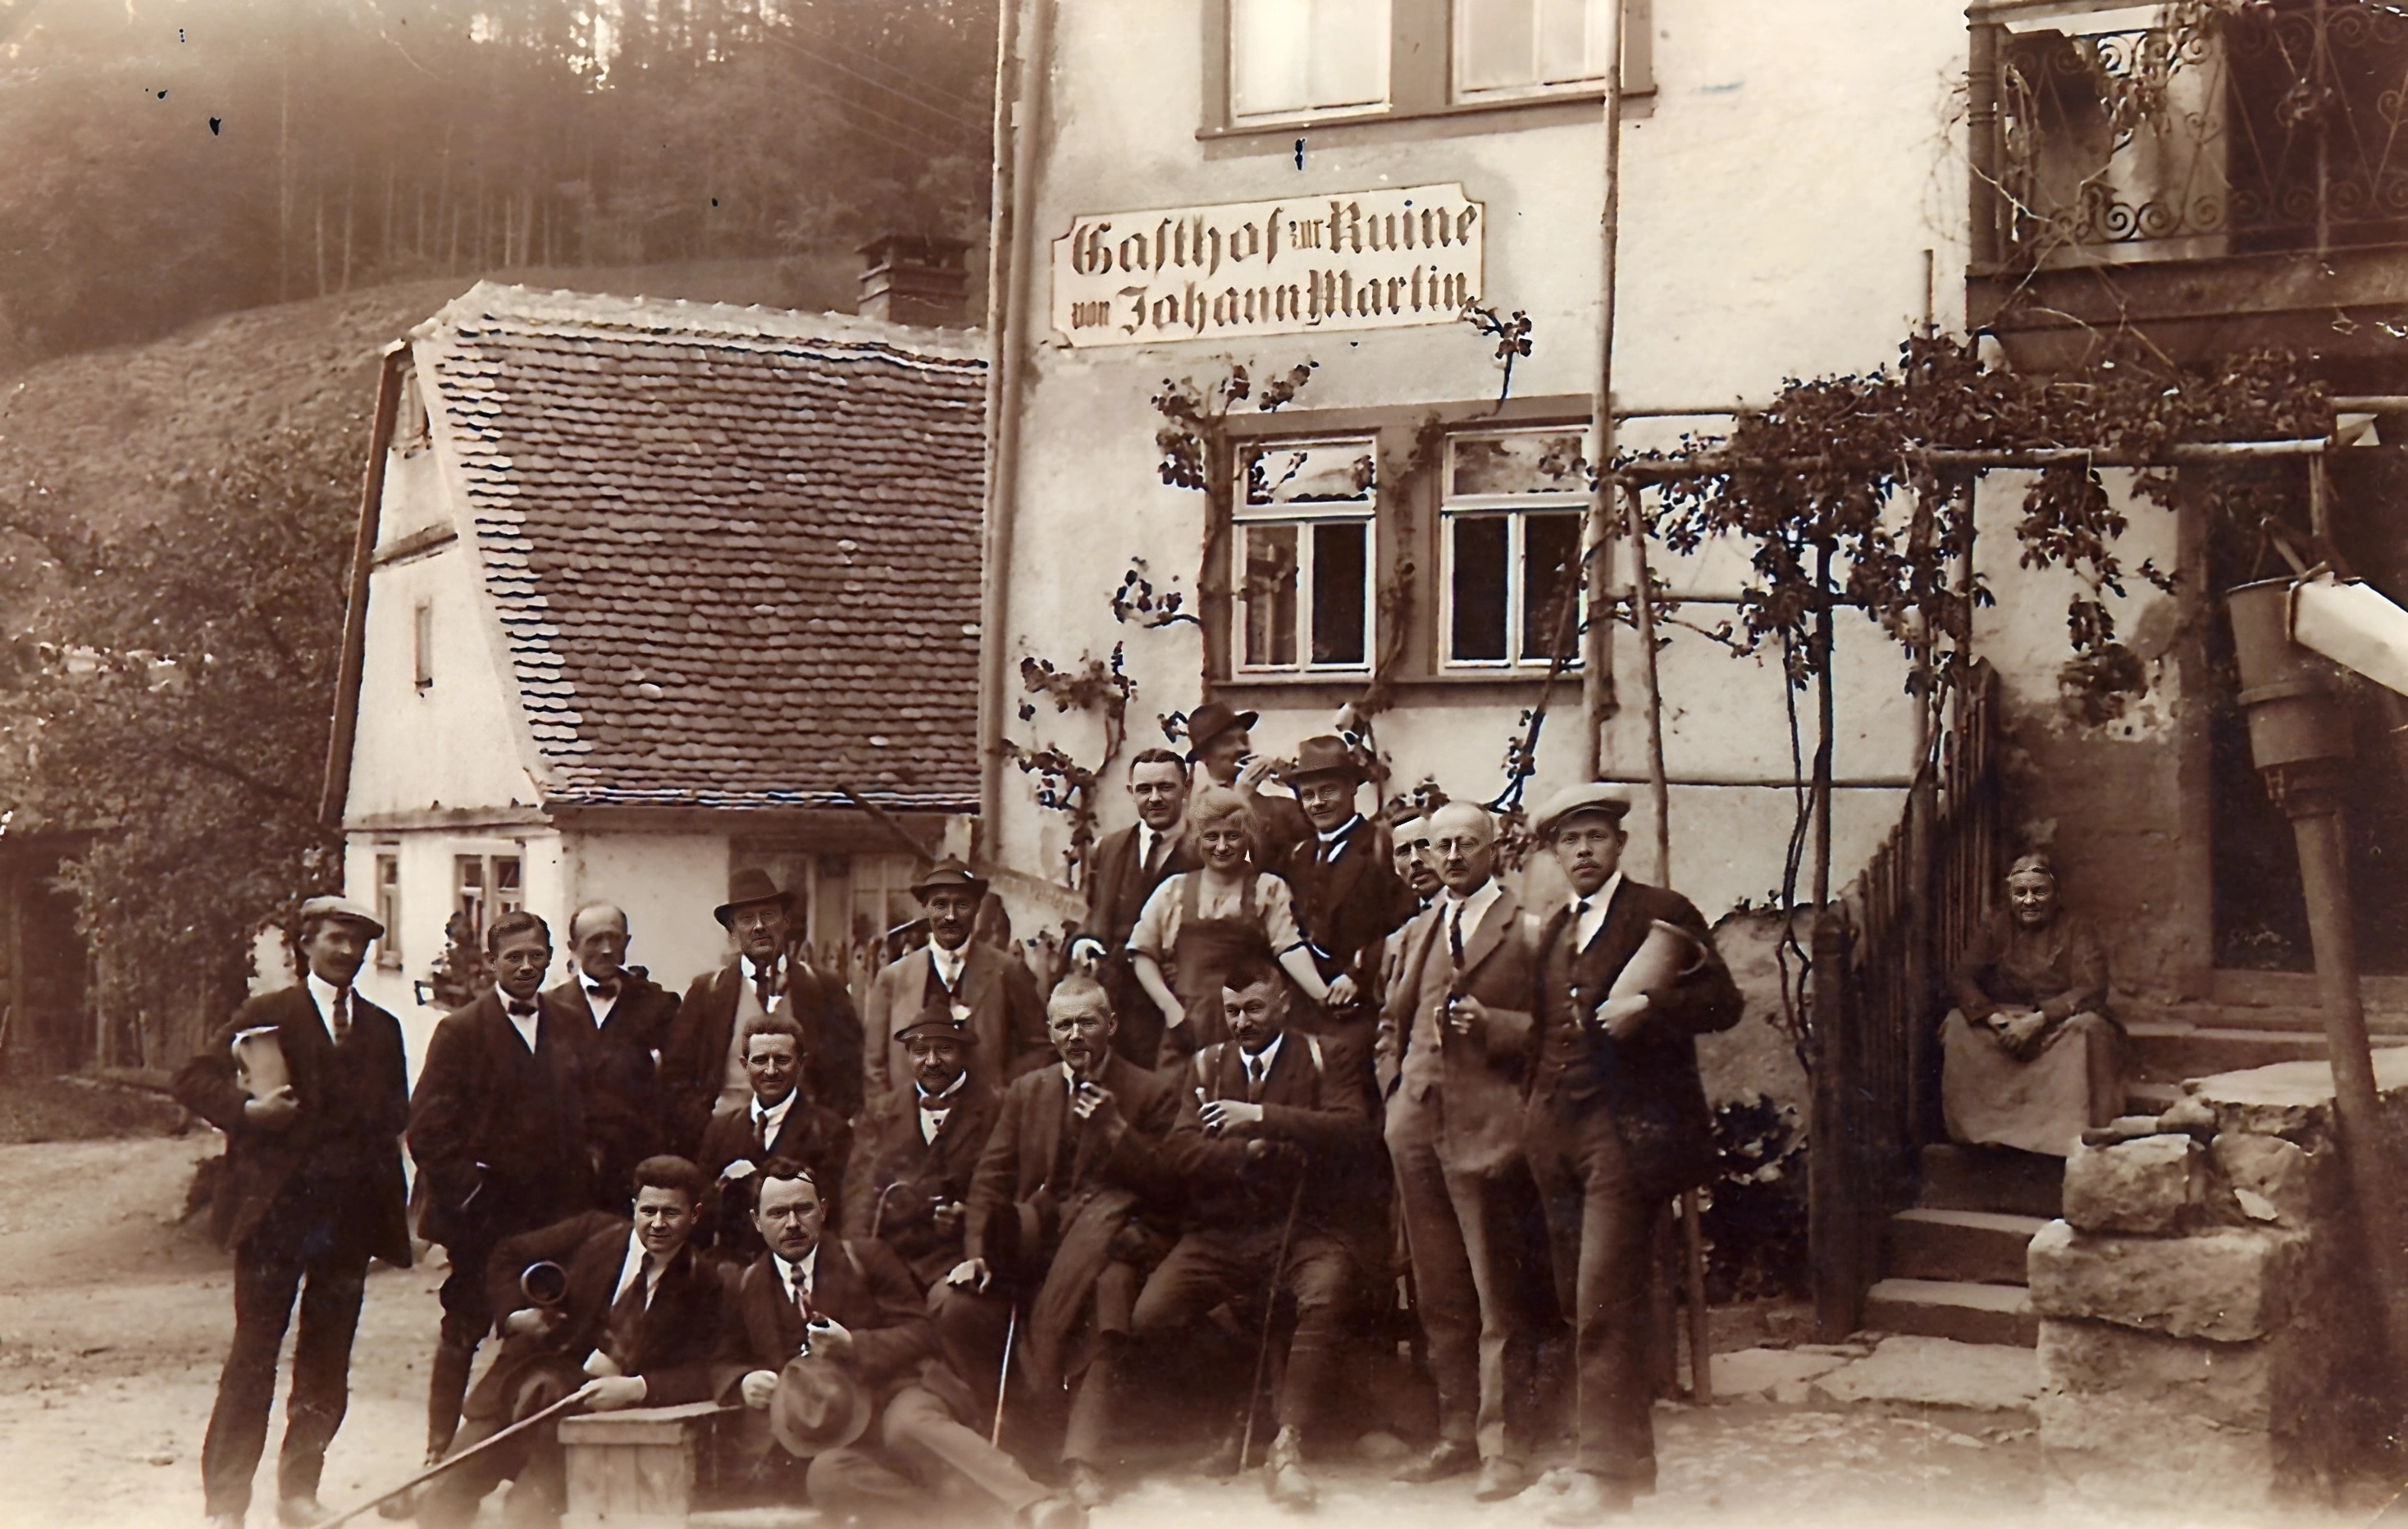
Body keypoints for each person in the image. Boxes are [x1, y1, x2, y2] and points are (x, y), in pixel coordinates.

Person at [1524, 784, 1746, 1518]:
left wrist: (1649, 1006)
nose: (1582, 851)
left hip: (1628, 1133)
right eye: (1569, 841)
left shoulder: (1663, 913)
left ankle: (1605, 1475)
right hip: (1558, 1132)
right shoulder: (1556, 927)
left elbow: (1725, 1005)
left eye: (1595, 838)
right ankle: (1612, 1461)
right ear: (1554, 854)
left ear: (1619, 844)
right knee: (1569, 1303)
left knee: (1603, 1302)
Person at [174, 896, 410, 1529]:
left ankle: (299, 1492)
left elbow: (395, 1115)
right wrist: (249, 1112)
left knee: (327, 1362)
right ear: (307, 944)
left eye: (358, 944)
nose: (347, 953)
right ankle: (226, 1502)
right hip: (275, 1216)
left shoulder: (384, 1029)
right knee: (254, 1355)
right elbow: (194, 1079)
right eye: (335, 939)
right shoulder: (267, 1015)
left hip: (348, 1220)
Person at [1115, 957, 1383, 1508]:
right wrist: (1249, 1152)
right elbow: (1179, 1151)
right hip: (1224, 1234)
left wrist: (1262, 1117)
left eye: (1255, 1008)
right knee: (1152, 1316)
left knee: (1326, 1288)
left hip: (1305, 1228)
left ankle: (1289, 1442)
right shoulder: (1207, 1064)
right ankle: (1247, 1403)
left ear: (1283, 1004)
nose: (1243, 1022)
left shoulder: (1324, 1055)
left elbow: (1352, 1131)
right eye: (1232, 1011)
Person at [941, 974, 1193, 1509]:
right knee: (957, 1306)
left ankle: (1083, 1460)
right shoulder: (1029, 1092)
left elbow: (1171, 1188)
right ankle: (1013, 1442)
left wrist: (1115, 1130)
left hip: (1118, 1243)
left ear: (1112, 1026)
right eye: (1064, 1024)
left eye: (1087, 1022)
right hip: (1038, 1246)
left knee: (1111, 1291)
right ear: (1051, 1032)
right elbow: (991, 1180)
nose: (1076, 1035)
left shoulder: (1151, 1091)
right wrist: (977, 1255)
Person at [721, 1162, 1083, 1527]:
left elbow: (923, 1332)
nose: (793, 1224)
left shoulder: (866, 1257)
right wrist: (745, 1380)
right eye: (778, 1213)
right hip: (836, 1429)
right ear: (757, 1221)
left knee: (906, 1425)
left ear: (824, 1210)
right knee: (826, 1477)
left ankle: (1038, 1506)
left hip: (901, 1393)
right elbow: (725, 1358)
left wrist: (854, 1346)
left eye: (804, 1209)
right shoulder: (750, 1287)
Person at [1380, 801, 1554, 1501]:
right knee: (1440, 1292)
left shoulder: (1529, 929)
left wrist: (1498, 1026)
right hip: (1416, 1129)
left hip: (1487, 1133)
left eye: (1465, 844)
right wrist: (1396, 1095)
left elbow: (1556, 1028)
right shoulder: (1421, 928)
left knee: (1494, 1294)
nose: (1449, 856)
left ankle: (1503, 1448)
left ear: (1495, 850)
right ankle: (1455, 1433)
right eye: (1439, 845)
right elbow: (1391, 1023)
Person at [416, 1156, 729, 1529]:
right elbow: (507, 1255)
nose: (657, 1224)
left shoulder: (704, 1283)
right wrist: (517, 1316)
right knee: (442, 1498)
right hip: (522, 1396)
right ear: (634, 1208)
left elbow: (706, 1370)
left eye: (671, 1213)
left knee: (527, 1515)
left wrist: (635, 1388)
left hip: (590, 1423)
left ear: (694, 1216)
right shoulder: (592, 1232)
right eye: (648, 1210)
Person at [408, 909, 599, 1476]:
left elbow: (589, 1109)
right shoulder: (461, 1030)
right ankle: (439, 1450)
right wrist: (472, 1195)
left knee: (548, 1321)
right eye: (513, 957)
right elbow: (427, 1129)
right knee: (465, 1324)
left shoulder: (569, 1022)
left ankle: (528, 1453)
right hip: (482, 1216)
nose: (525, 967)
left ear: (551, 959)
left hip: (553, 1212)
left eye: (535, 956)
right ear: (491, 963)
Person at [1125, 786, 1332, 1068]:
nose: (1222, 847)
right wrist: (1171, 1009)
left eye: (1232, 836)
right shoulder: (1173, 890)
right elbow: (1141, 952)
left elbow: (1288, 947)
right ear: (1198, 840)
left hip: (1250, 1025)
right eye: (1212, 837)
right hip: (1188, 1025)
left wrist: (1324, 995)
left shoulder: (1267, 888)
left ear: (1247, 839)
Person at [661, 868, 864, 1154]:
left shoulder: (822, 988)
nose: (759, 927)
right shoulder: (708, 992)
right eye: (746, 919)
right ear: (732, 930)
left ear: (786, 922)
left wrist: (823, 1127)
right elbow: (676, 1076)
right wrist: (707, 1129)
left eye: (768, 916)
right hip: (725, 1141)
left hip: (804, 1143)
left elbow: (849, 1071)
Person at [1941, 852, 2125, 1157]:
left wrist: (2040, 1019)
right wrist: (1995, 1019)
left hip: (2058, 1022)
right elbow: (1962, 978)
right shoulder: (1994, 928)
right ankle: (1987, 1131)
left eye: (2039, 892)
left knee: (2087, 1028)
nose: (2029, 901)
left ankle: (2063, 1134)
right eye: (2020, 893)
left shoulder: (2077, 929)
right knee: (1958, 1025)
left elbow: (2092, 987)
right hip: (2005, 1020)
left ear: (2056, 895)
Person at [841, 1002, 1001, 1290]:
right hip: (892, 1257)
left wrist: (965, 1216)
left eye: (944, 1050)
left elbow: (1002, 1189)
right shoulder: (881, 1113)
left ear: (963, 1054)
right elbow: (860, 1196)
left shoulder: (994, 1110)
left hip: (957, 1256)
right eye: (920, 1051)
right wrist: (856, 1257)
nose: (931, 1061)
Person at [1274, 736, 1419, 1053]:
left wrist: (1359, 973)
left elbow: (1409, 925)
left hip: (1361, 1008)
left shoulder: (1383, 848)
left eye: (1328, 791)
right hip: (1304, 1010)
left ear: (1352, 787)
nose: (1317, 803)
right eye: (1307, 795)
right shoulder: (1298, 856)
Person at [861, 858, 1048, 1098]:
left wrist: (1003, 1090)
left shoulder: (1007, 971)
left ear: (976, 908)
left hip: (984, 1123)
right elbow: (874, 1066)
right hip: (913, 1124)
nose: (950, 916)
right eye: (940, 904)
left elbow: (1040, 1049)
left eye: (961, 904)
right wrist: (890, 1118)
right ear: (925, 908)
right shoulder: (894, 978)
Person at [545, 902, 682, 1216]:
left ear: (627, 942)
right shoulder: (549, 1010)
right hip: (568, 1170)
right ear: (573, 948)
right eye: (595, 940)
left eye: (614, 938)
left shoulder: (658, 1005)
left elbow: (677, 1085)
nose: (607, 950)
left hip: (635, 1167)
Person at [1070, 748, 1196, 1067]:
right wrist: (1084, 942)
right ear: (1131, 793)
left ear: (1187, 788)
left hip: (1175, 1003)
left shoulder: (1204, 850)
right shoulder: (1109, 849)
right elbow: (1093, 915)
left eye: (1166, 787)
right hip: (1116, 1001)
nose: (1155, 798)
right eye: (1144, 789)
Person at [698, 1011, 855, 1262]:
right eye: (760, 1060)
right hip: (733, 1265)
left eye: (782, 1060)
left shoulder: (829, 1130)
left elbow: (834, 1215)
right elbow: (704, 1212)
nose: (771, 1071)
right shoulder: (721, 1129)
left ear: (800, 1064)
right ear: (744, 1065)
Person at [1183, 701, 1312, 874]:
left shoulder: (1280, 807)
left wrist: (1297, 783)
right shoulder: (1190, 813)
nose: (1242, 748)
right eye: (1228, 742)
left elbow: (1320, 840)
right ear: (1204, 756)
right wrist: (1240, 799)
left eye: (1244, 739)